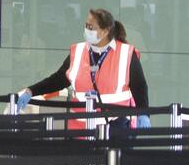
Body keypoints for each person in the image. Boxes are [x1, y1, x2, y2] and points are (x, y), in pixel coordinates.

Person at [16, 8, 150, 130]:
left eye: (91, 27)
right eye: (86, 25)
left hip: (116, 126)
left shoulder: (126, 54)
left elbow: (139, 87)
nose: (87, 29)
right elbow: (58, 79)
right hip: (80, 128)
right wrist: (31, 91)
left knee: (113, 158)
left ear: (105, 31)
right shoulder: (78, 52)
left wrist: (144, 114)